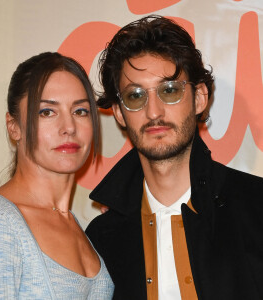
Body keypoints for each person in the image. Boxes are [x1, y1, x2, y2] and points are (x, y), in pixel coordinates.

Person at [85, 15, 263, 300]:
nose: (153, 112)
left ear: (199, 98)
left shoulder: (256, 207)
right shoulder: (101, 240)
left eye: (169, 91)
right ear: (119, 112)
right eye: (135, 96)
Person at [0, 52, 114, 299]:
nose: (69, 127)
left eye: (80, 111)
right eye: (47, 112)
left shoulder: (76, 227)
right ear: (14, 127)